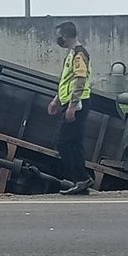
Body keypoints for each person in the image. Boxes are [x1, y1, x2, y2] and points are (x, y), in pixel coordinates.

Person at [48, 21, 95, 195]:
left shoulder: (79, 55)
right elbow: (66, 81)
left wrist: (72, 106)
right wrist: (56, 100)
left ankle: (80, 178)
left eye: (59, 36)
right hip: (71, 103)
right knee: (73, 142)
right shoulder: (72, 54)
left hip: (78, 104)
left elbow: (80, 80)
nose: (58, 39)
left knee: (63, 142)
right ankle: (81, 180)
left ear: (66, 36)